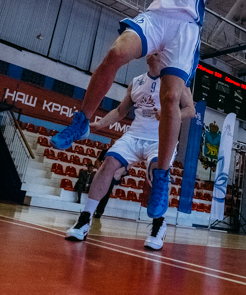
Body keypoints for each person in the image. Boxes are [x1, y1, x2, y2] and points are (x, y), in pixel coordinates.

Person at [49, 0, 238, 220]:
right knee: (115, 53)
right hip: (156, 18)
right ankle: (81, 121)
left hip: (185, 29)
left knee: (170, 98)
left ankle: (162, 174)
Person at [65, 53, 195, 250]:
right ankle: (85, 219)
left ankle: (159, 225)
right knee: (108, 163)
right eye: (151, 50)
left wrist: (171, 112)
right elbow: (120, 112)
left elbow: (190, 110)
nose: (152, 53)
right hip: (134, 135)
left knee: (156, 171)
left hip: (160, 138)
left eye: (157, 51)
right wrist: (99, 124)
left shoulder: (177, 81)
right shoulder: (136, 82)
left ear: (164, 56)